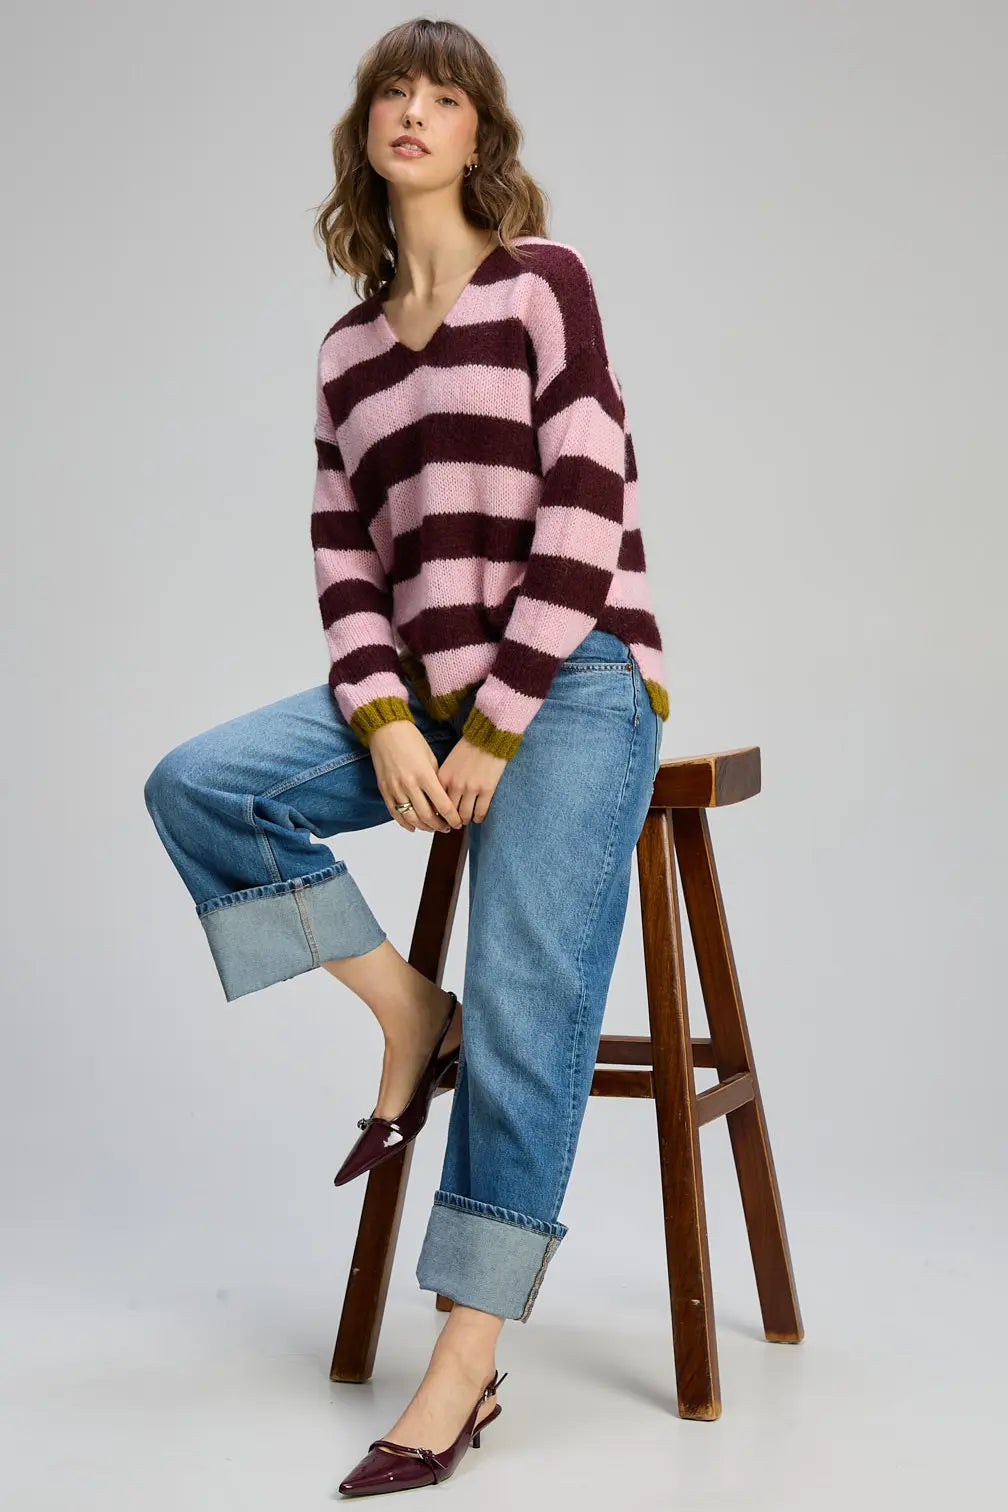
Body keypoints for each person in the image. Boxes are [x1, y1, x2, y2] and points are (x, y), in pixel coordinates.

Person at [143, 16, 669, 1498]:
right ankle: (404, 1013)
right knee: (200, 786)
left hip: (573, 678)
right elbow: (347, 571)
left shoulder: (543, 284)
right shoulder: (348, 355)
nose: (417, 113)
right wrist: (384, 718)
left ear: (481, 135)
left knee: (530, 996)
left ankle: (464, 1361)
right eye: (395, 92)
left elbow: (585, 509)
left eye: (447, 96)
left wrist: (495, 722)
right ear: (365, 131)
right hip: (425, 694)